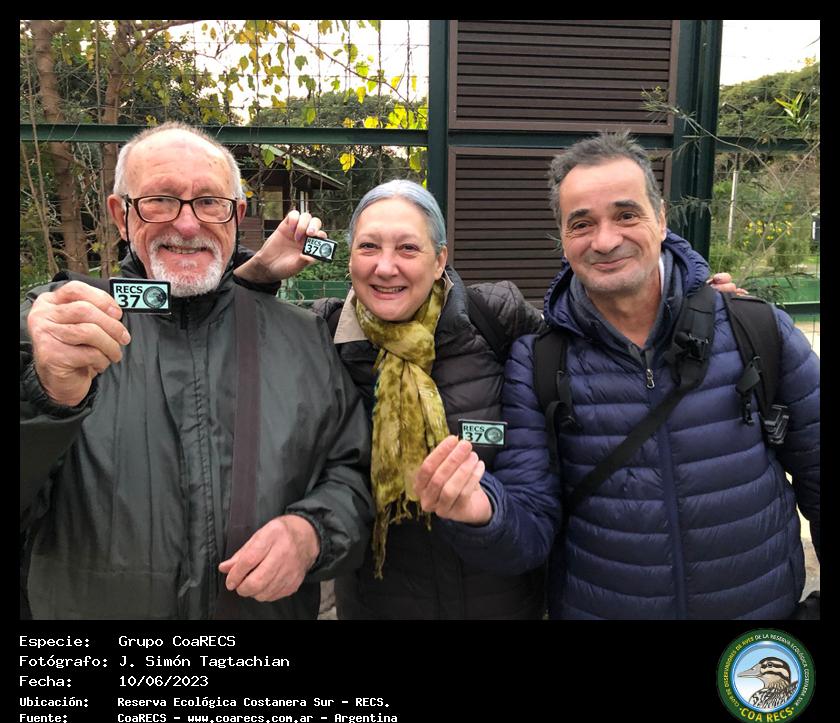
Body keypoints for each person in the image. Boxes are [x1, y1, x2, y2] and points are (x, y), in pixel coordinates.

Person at [236, 178, 745, 620]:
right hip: (378, 605)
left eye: (408, 248)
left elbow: (594, 341)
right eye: (369, 247)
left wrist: (681, 304)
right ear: (349, 259)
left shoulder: (494, 318)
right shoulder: (323, 337)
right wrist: (256, 276)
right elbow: (215, 349)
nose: (386, 267)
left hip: (505, 600)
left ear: (440, 260)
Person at [446, 131, 819, 619]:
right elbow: (530, 533)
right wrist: (483, 515)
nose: (605, 241)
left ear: (661, 220)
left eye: (626, 215)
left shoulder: (757, 331)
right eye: (582, 223)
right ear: (562, 238)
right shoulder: (538, 362)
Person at [20, 121, 374, 620]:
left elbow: (353, 473)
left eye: (209, 202)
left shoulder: (303, 338)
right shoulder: (56, 333)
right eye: (160, 200)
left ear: (237, 216)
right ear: (121, 215)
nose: (187, 225)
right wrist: (46, 398)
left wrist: (312, 533)